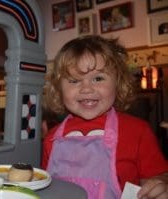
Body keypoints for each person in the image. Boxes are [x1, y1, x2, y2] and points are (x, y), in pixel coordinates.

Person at [41, 35, 168, 199]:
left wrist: (160, 184)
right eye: (74, 81)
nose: (86, 89)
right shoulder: (52, 138)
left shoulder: (137, 131)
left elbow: (158, 177)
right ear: (59, 89)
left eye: (98, 78)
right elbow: (45, 186)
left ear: (118, 83)